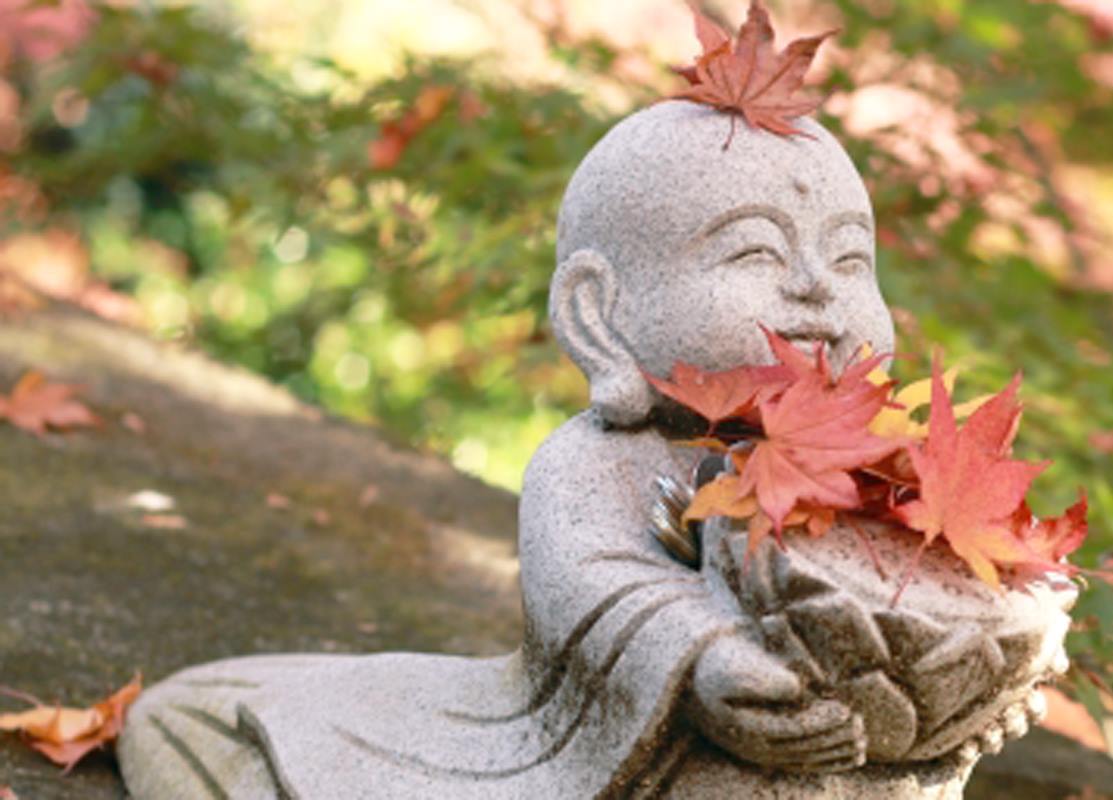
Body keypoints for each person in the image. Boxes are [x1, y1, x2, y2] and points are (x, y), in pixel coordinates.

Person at [118, 101, 1038, 799]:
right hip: (624, 765)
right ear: (600, 315)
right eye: (756, 255)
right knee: (213, 737)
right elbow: (598, 590)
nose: (814, 291)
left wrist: (982, 687)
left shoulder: (877, 477)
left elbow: (919, 618)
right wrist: (705, 662)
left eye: (847, 261)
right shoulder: (596, 464)